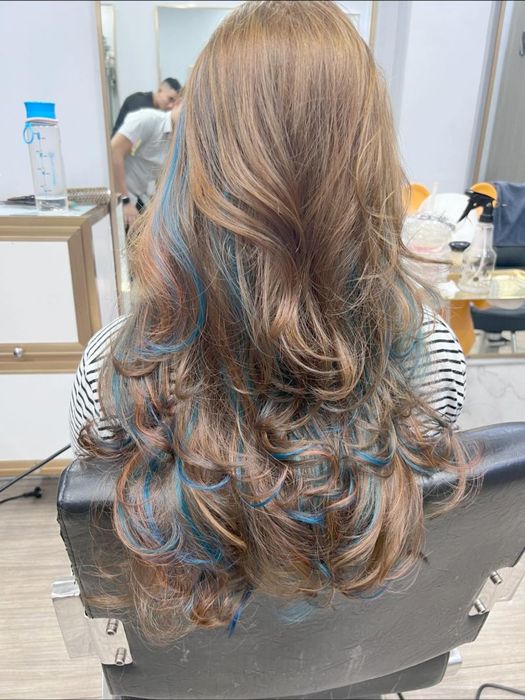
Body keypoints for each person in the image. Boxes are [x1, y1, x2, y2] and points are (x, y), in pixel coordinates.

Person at [70, 0, 468, 643]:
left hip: (197, 661)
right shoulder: (434, 356)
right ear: (368, 166)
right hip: (352, 652)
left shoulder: (111, 371)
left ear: (193, 163)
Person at [111, 100, 183, 228]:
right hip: (121, 197)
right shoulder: (147, 120)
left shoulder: (178, 139)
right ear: (178, 103)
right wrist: (125, 201)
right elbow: (114, 153)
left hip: (139, 196)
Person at [112, 77, 181, 135]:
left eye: (174, 102)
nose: (171, 106)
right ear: (160, 91)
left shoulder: (161, 112)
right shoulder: (139, 103)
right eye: (170, 99)